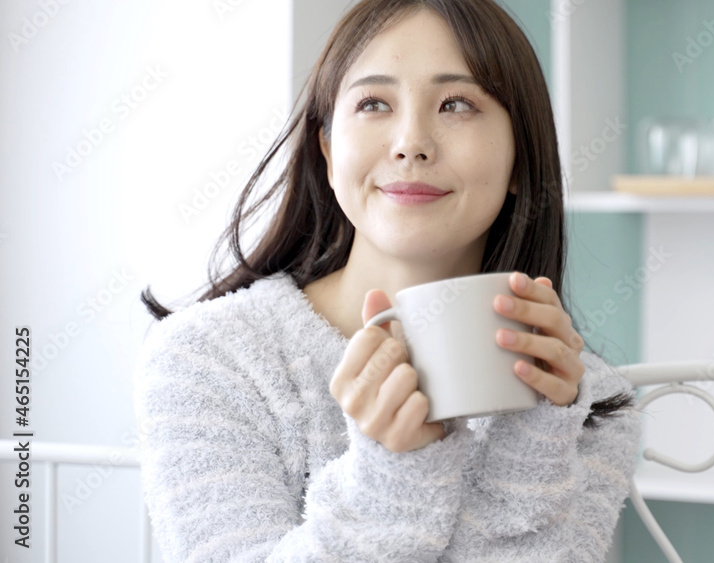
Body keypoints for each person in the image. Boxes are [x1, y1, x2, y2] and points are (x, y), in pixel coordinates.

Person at [133, 0, 641, 560]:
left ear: (522, 158)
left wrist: (534, 442)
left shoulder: (584, 401)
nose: (410, 142)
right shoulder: (210, 358)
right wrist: (391, 478)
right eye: (374, 103)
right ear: (327, 152)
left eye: (457, 104)